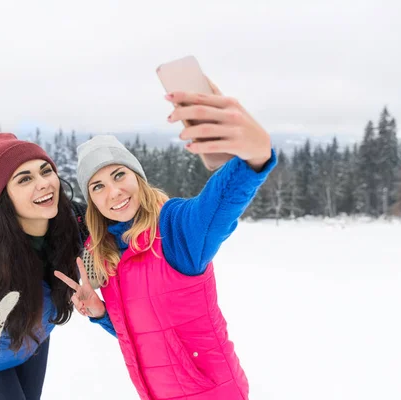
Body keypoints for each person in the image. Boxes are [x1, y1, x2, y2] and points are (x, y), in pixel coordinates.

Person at [54, 82, 277, 399]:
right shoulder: (110, 253)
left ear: (138, 178)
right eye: (97, 186)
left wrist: (254, 157)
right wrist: (102, 314)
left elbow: (220, 204)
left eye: (119, 175)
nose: (113, 192)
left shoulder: (175, 229)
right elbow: (143, 338)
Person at [0, 133, 115, 400]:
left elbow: (122, 223)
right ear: (5, 197)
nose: (44, 184)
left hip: (34, 343)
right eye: (25, 179)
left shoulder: (72, 219)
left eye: (46, 171)